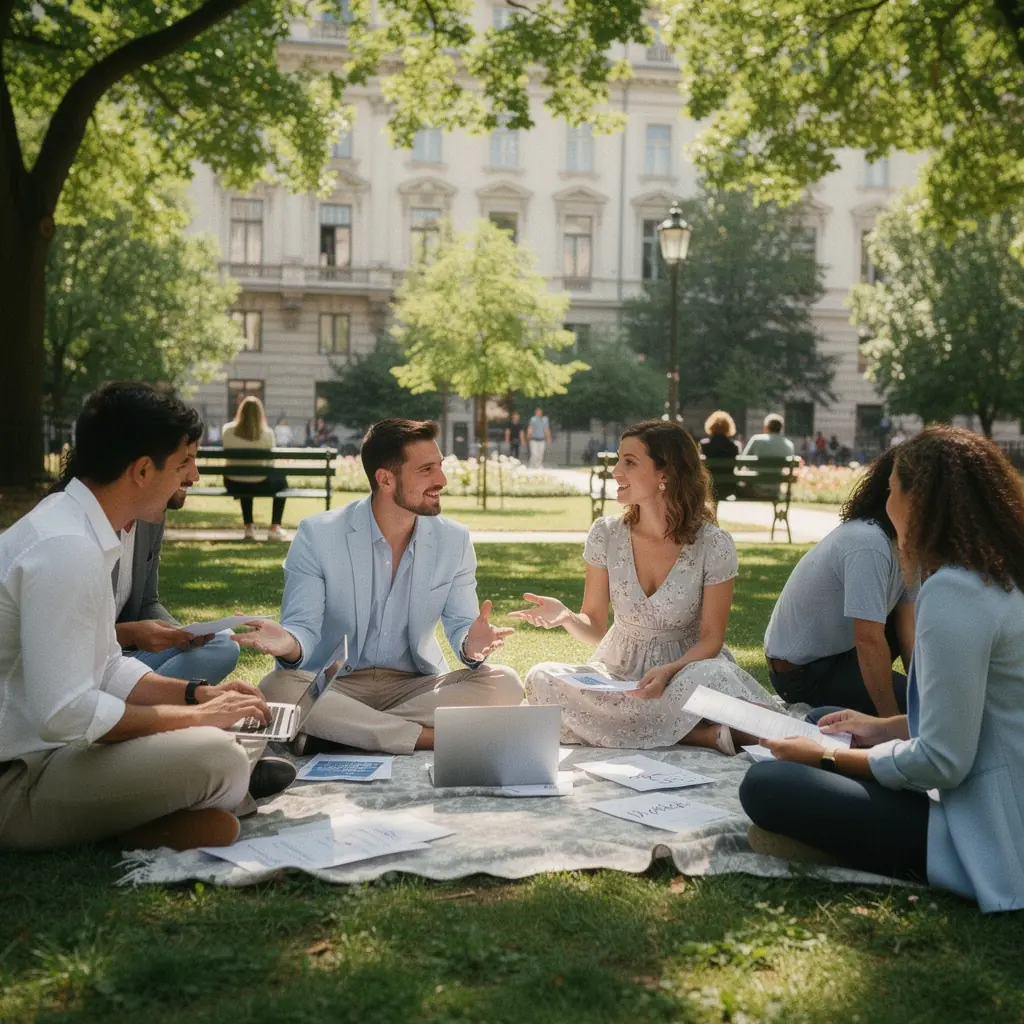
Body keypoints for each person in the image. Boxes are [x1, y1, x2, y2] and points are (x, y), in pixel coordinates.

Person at [741, 427, 1024, 912]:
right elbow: (979, 716)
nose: (886, 502)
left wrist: (825, 759)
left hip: (988, 826)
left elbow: (943, 762)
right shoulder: (997, 576)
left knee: (768, 784)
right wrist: (883, 727)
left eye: (892, 491)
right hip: (990, 774)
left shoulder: (954, 592)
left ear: (919, 503)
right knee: (827, 720)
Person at [0, 382, 287, 853]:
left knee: (220, 742)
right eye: (183, 463)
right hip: (18, 781)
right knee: (221, 758)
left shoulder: (76, 529)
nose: (193, 476)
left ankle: (151, 815)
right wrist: (195, 719)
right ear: (141, 470)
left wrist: (197, 695)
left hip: (50, 754)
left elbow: (108, 667)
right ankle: (141, 821)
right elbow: (67, 714)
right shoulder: (65, 549)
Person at [235, 418, 525, 754]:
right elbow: (303, 628)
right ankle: (423, 737)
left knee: (505, 683)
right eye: (426, 470)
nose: (442, 480)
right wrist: (289, 643)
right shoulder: (318, 535)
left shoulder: (454, 540)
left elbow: (463, 626)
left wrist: (472, 647)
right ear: (385, 479)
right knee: (278, 686)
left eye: (440, 466)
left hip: (415, 687)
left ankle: (340, 732)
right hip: (336, 686)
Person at [513, 419, 780, 752]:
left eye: (629, 462)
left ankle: (642, 725)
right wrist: (566, 616)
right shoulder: (605, 534)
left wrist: (669, 672)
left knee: (714, 677)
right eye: (618, 460)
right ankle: (695, 733)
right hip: (618, 673)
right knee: (541, 678)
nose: (616, 471)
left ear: (664, 474)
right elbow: (594, 627)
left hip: (687, 670)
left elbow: (712, 638)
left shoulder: (714, 544)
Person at [763, 448, 914, 717]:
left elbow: (907, 627)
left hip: (844, 655)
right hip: (802, 673)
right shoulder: (868, 543)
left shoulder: (907, 544)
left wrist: (924, 692)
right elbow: (868, 638)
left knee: (929, 709)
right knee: (918, 715)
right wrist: (891, 722)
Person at [222, 396, 288, 542]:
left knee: (245, 480)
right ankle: (274, 527)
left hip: (233, 483)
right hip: (260, 483)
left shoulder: (227, 430)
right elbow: (270, 463)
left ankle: (249, 529)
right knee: (282, 482)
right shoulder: (268, 434)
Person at [699, 410, 740, 501]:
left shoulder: (705, 445)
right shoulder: (734, 446)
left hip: (710, 485)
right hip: (728, 487)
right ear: (729, 427)